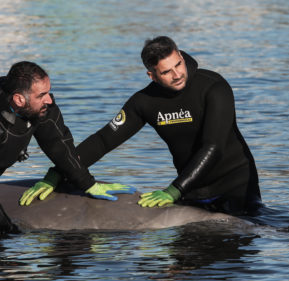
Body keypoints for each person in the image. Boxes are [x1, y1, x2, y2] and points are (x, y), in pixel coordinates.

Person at [21, 36, 262, 215]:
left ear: (180, 55)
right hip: (194, 191)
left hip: (236, 186)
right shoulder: (144, 102)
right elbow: (103, 140)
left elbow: (213, 147)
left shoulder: (213, 87)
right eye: (167, 72)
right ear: (152, 76)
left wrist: (174, 190)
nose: (177, 74)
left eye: (178, 64)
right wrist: (56, 174)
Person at [0, 61, 134, 233]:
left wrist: (88, 184)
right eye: (42, 95)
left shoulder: (38, 104)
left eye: (49, 92)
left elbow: (59, 145)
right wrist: (11, 230)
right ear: (19, 99)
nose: (49, 100)